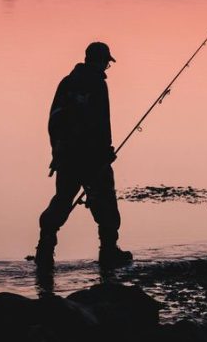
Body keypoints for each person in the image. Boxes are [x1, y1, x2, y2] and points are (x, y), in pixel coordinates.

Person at [34, 41, 133, 270]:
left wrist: (57, 151)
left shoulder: (67, 82)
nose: (106, 68)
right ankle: (108, 253)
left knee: (62, 200)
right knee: (105, 204)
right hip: (93, 158)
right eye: (107, 63)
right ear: (100, 61)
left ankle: (44, 249)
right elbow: (101, 122)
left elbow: (53, 120)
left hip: (66, 157)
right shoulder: (98, 85)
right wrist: (106, 151)